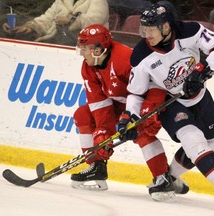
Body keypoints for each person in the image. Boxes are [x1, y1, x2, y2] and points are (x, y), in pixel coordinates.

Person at [117, 1, 214, 212]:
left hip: (200, 97)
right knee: (193, 140)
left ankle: (170, 179)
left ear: (166, 27)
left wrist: (201, 70)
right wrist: (129, 116)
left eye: (151, 28)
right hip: (172, 103)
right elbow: (136, 93)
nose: (145, 34)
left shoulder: (191, 31)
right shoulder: (141, 55)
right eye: (144, 28)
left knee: (212, 143)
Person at [70, 24, 188, 199]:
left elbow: (155, 84)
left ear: (98, 49)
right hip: (121, 105)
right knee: (83, 115)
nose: (82, 52)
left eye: (85, 48)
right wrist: (102, 134)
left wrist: (150, 110)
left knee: (141, 131)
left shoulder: (125, 59)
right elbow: (99, 104)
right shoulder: (88, 67)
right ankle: (97, 167)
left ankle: (162, 178)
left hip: (148, 101)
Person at [2, 0, 109, 46]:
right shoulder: (61, 1)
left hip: (86, 45)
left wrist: (72, 21)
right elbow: (47, 18)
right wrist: (32, 27)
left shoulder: (98, 0)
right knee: (24, 37)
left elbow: (96, 19)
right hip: (57, 40)